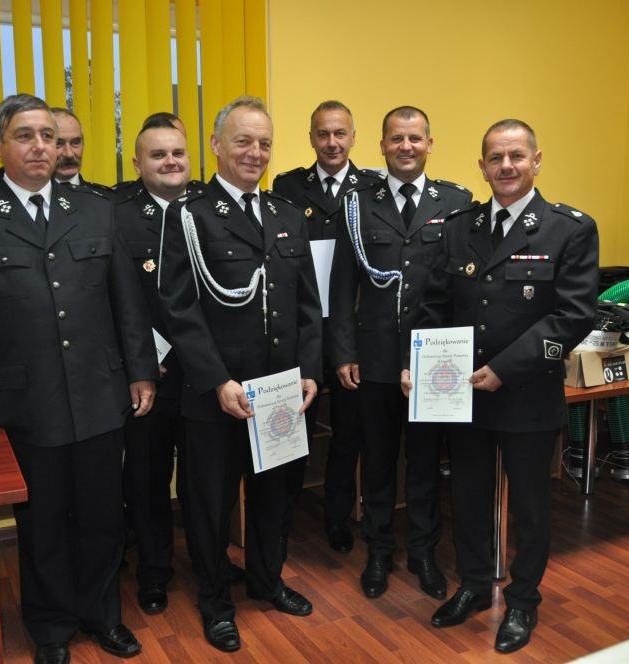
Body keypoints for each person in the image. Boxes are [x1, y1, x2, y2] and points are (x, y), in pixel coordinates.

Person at [0, 94, 159, 664]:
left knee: (101, 517)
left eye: (48, 136)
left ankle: (103, 615)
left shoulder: (96, 210)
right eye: (25, 135)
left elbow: (127, 302)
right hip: (28, 402)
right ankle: (50, 628)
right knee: (42, 523)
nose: (41, 147)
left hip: (99, 393)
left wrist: (141, 371)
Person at [401, 118, 598, 654]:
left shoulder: (569, 229)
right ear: (482, 167)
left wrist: (507, 368)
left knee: (530, 506)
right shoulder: (459, 226)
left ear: (536, 161)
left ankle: (523, 600)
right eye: (495, 158)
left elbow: (574, 316)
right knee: (467, 496)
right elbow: (436, 304)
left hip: (526, 394)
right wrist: (418, 362)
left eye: (516, 156)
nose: (506, 166)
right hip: (461, 392)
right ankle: (472, 584)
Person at [158, 96, 323, 653]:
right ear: (216, 145)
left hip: (279, 391)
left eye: (264, 143)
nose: (255, 152)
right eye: (243, 141)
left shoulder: (286, 215)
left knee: (276, 495)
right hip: (218, 395)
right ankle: (214, 601)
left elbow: (307, 304)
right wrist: (216, 379)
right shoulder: (190, 215)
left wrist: (310, 371)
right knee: (211, 504)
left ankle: (267, 581)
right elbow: (179, 308)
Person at [328, 106, 472, 601]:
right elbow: (342, 286)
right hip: (375, 357)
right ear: (382, 146)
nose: (405, 147)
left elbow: (461, 287)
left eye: (414, 138)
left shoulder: (456, 202)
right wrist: (343, 351)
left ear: (429, 143)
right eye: (396, 139)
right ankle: (379, 551)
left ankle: (424, 553)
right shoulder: (356, 204)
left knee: (426, 461)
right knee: (378, 459)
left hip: (435, 362)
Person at [272, 100, 382, 554]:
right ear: (311, 138)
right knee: (292, 427)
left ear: (353, 137)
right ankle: (282, 518)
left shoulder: (373, 188)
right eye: (323, 134)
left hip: (352, 331)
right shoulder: (288, 186)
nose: (332, 142)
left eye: (340, 133)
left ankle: (337, 516)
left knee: (348, 431)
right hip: (303, 329)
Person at [114, 115, 195, 616]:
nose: (170, 162)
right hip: (151, 375)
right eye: (158, 154)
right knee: (147, 478)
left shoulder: (208, 208)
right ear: (137, 163)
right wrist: (141, 361)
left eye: (177, 153)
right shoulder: (116, 217)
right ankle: (153, 572)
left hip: (206, 374)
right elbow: (113, 301)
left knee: (204, 477)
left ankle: (207, 561)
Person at [52, 107, 107, 190]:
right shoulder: (33, 197)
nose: (69, 154)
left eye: (75, 142)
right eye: (58, 143)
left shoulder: (105, 197)